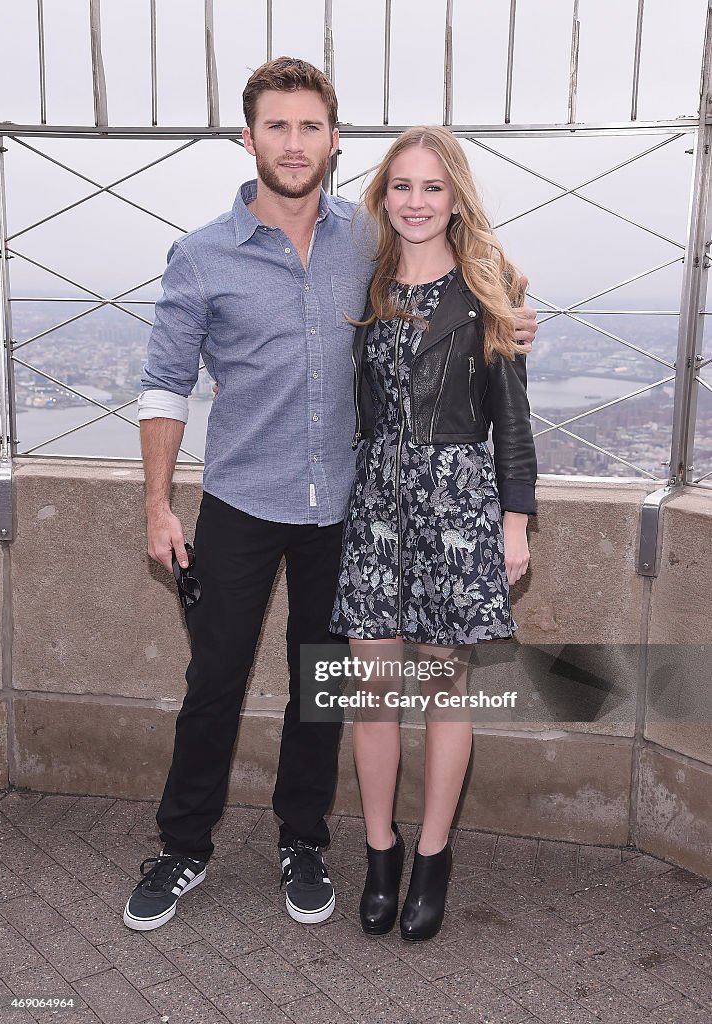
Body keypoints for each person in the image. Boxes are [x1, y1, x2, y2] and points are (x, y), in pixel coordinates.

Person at [124, 57, 538, 933]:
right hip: (240, 499)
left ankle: (304, 841)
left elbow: (458, 289)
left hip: (348, 508)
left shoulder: (371, 239)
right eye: (277, 125)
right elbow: (163, 386)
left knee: (326, 685)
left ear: (335, 141)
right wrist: (159, 504)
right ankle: (182, 845)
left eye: (311, 126)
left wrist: (514, 313)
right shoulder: (201, 255)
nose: (294, 142)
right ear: (249, 138)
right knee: (215, 682)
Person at [329, 125, 537, 941]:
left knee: (447, 695)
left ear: (455, 198)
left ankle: (433, 856)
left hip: (458, 503)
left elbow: (513, 426)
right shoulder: (365, 283)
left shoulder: (493, 287)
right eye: (402, 187)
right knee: (374, 696)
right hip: (377, 506)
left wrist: (514, 526)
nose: (416, 203)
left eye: (433, 188)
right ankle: (378, 854)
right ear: (383, 197)